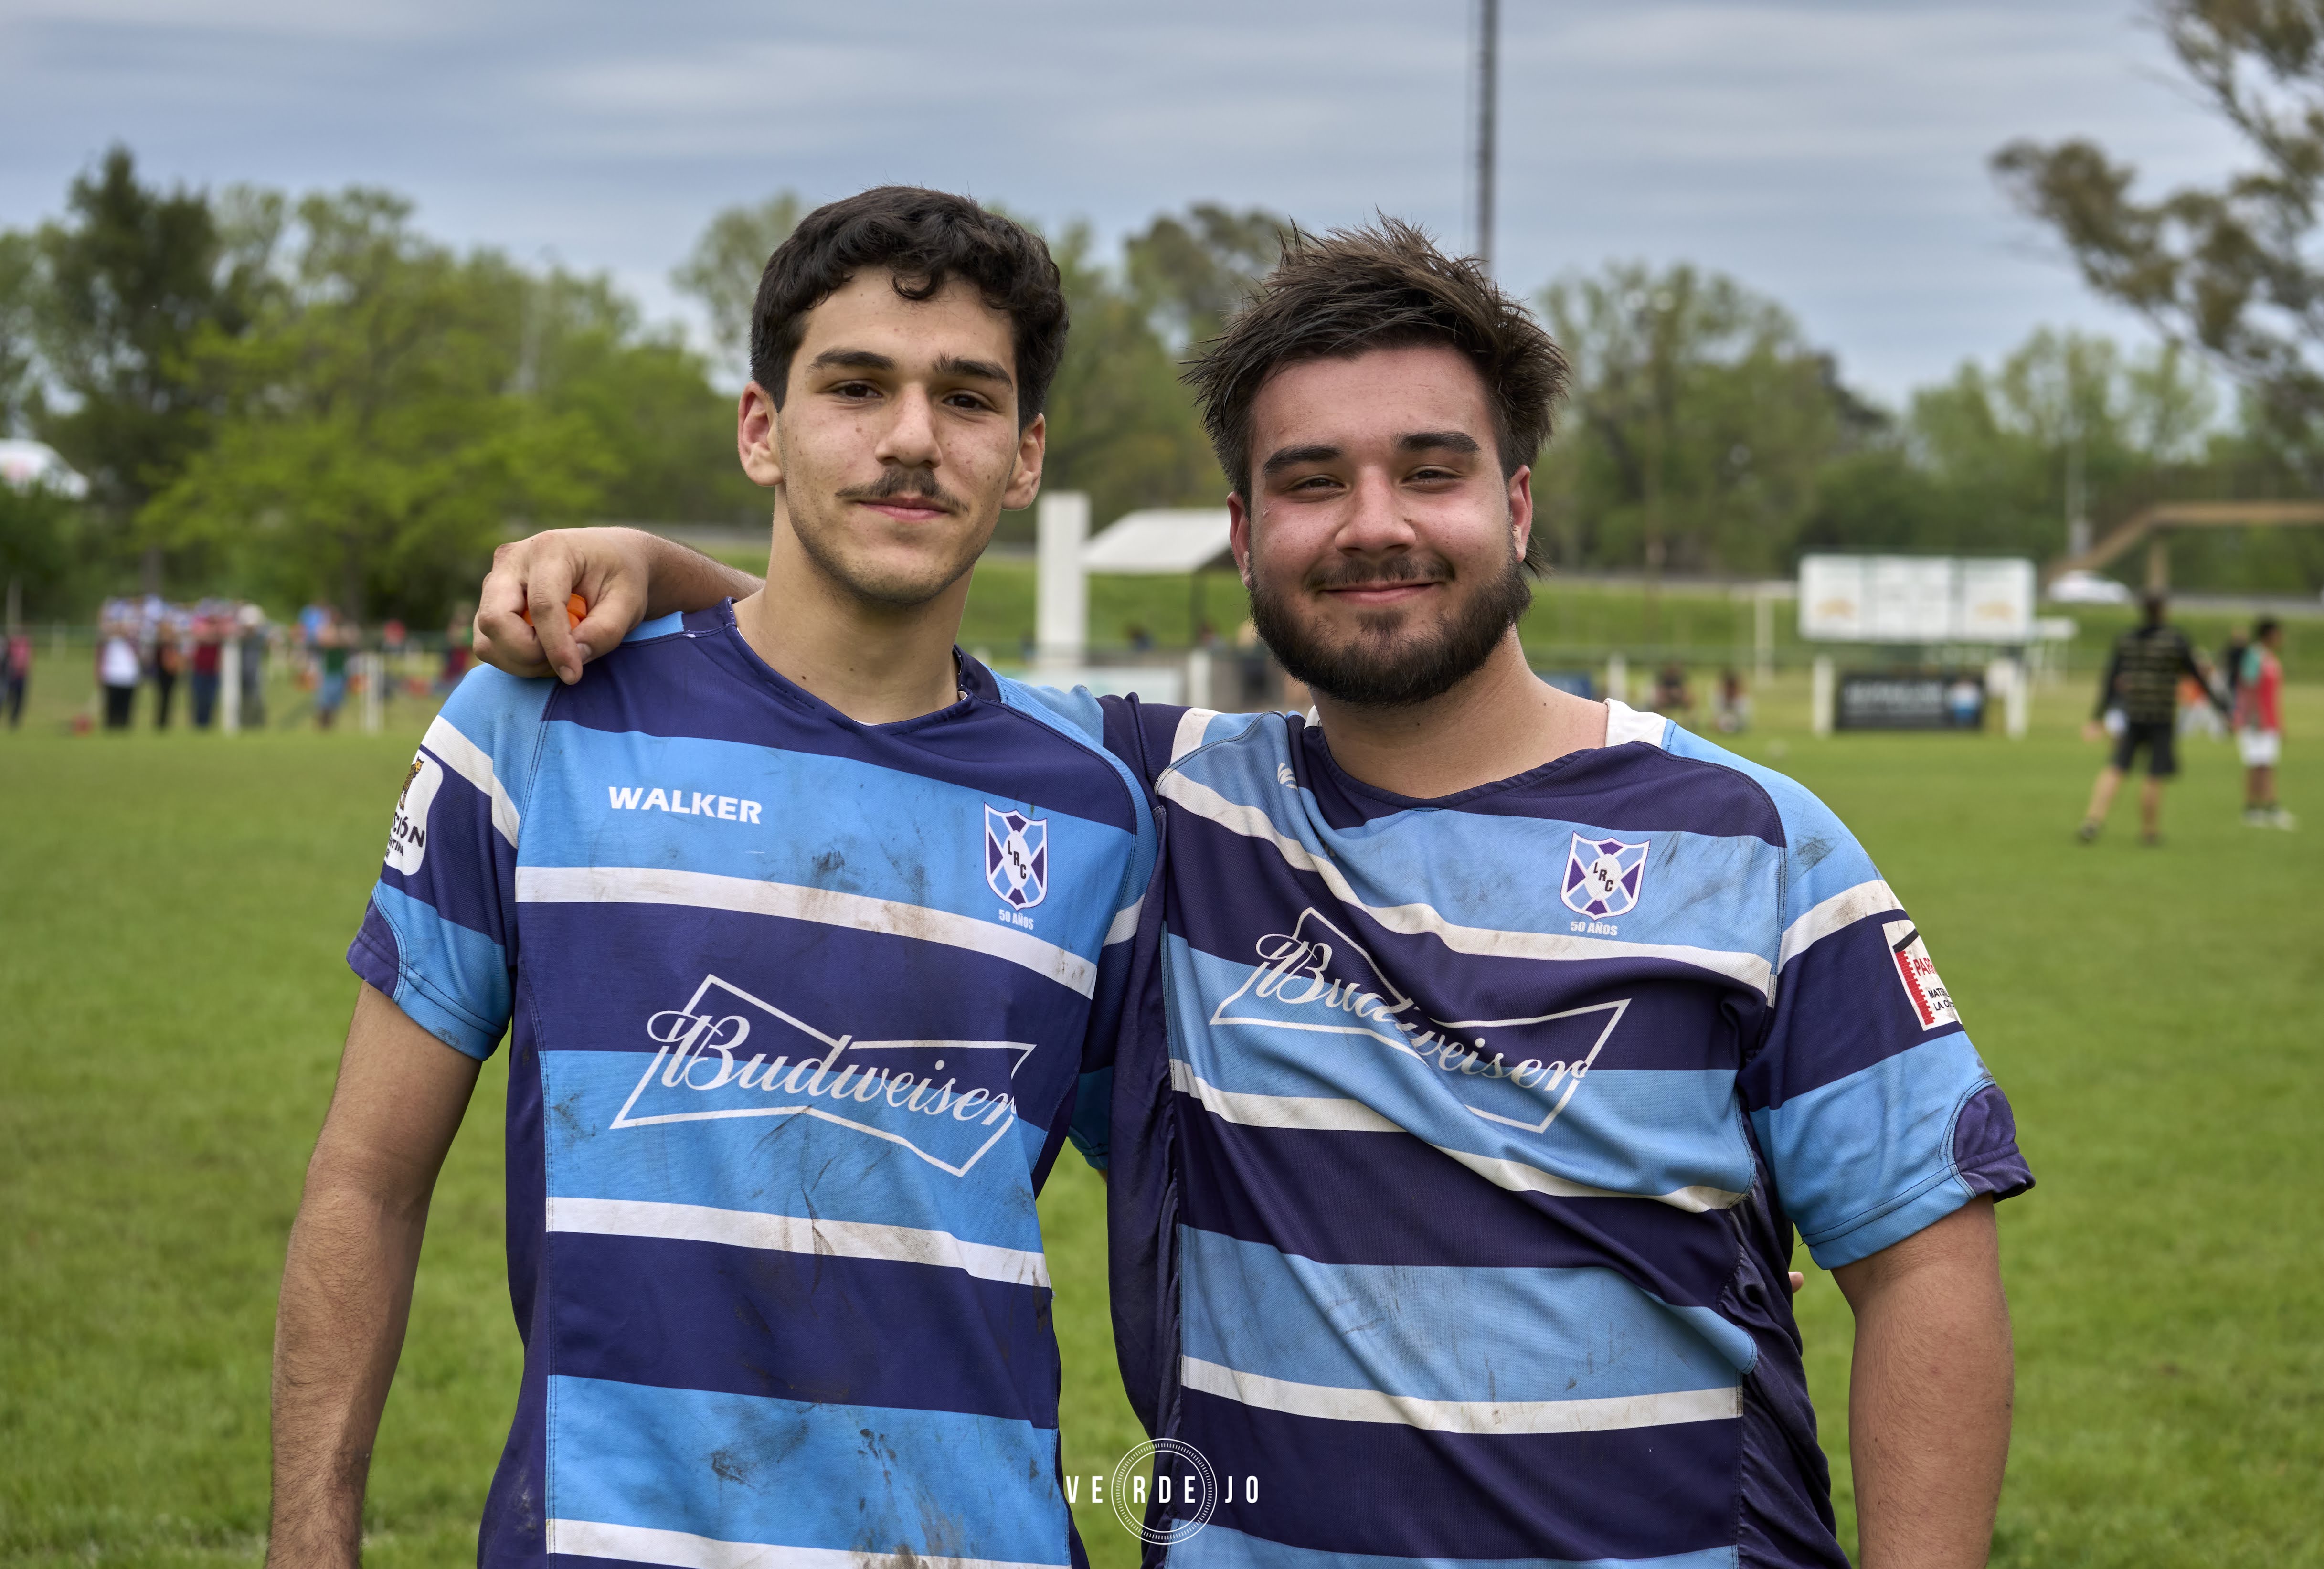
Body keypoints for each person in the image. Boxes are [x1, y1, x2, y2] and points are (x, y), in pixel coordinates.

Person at [481, 220, 2030, 1569]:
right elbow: (858, 654)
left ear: (1519, 505)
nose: (1373, 522)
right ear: (1244, 535)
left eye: (1429, 470)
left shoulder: (1753, 839)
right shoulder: (1164, 798)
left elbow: (1923, 1269)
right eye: (1309, 482)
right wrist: (652, 562)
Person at [270, 188, 1155, 1569]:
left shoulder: (1098, 805)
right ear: (762, 426)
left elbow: (1196, 1202)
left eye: (967, 399)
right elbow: (365, 1182)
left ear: (1025, 454)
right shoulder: (538, 723)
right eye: (855, 385)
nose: (912, 437)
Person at [2078, 591, 2224, 845]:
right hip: (2161, 717)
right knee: (2154, 774)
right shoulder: (2174, 640)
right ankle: (2149, 831)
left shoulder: (2127, 639)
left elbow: (2110, 678)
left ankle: (2092, 821)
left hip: (2132, 713)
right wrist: (2221, 706)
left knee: (2117, 767)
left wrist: (2097, 716)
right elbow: (2196, 676)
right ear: (2163, 610)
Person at [2235, 616, 2292, 828]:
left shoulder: (2269, 658)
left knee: (2265, 764)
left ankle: (2261, 808)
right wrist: (2254, 717)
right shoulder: (2255, 656)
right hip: (2257, 721)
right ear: (2269, 634)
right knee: (2258, 764)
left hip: (2269, 720)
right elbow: (2249, 687)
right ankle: (2262, 807)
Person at [97, 615, 140, 730]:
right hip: (113, 677)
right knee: (112, 705)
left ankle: (124, 726)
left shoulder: (132, 643)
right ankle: (111, 725)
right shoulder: (109, 642)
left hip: (128, 678)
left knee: (126, 705)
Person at [189, 611, 225, 729]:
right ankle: (199, 723)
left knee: (210, 699)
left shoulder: (219, 632)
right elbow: (201, 638)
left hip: (213, 672)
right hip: (200, 671)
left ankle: (207, 724)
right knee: (199, 698)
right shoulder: (201, 628)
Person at [3, 627, 29, 729]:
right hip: (12, 676)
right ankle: (10, 718)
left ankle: (15, 720)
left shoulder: (26, 646)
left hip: (22, 676)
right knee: (11, 698)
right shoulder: (11, 647)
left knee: (20, 699)